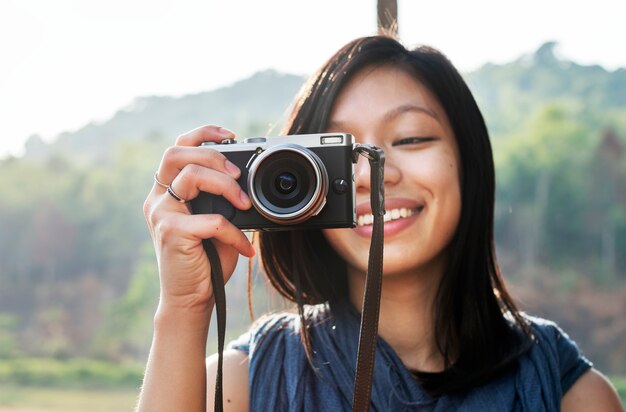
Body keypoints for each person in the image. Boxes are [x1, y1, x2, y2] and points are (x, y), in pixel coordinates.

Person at [137, 36, 623, 411]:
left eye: (410, 138)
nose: (376, 173)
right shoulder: (243, 385)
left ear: (470, 162)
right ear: (298, 191)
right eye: (340, 154)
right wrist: (184, 309)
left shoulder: (565, 394)